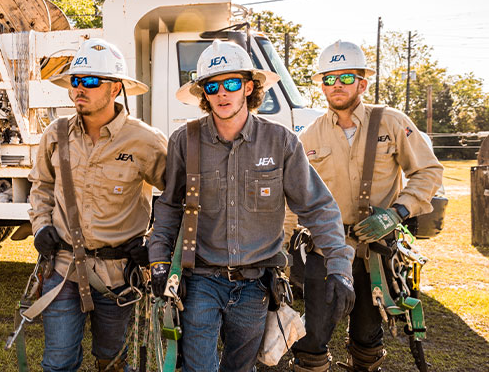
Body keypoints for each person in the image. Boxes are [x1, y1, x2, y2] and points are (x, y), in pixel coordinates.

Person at [148, 39, 355, 372]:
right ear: (204, 94)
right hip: (202, 278)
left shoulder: (281, 141)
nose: (222, 93)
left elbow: (318, 207)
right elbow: (170, 207)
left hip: (256, 283)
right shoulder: (184, 142)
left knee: (240, 367)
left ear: (248, 86)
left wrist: (340, 269)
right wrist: (159, 260)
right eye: (212, 86)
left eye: (231, 83)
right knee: (197, 367)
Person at [289, 40, 443, 372]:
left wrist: (397, 213)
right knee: (312, 337)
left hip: (376, 250)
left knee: (367, 336)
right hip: (325, 250)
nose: (337, 85)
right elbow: (294, 197)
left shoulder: (390, 122)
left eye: (346, 77)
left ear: (363, 82)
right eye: (329, 79)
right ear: (321, 86)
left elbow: (428, 171)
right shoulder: (309, 137)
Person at [28, 38, 168, 372]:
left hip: (118, 275)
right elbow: (41, 186)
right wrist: (41, 226)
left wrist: (154, 241)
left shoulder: (146, 141)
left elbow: (177, 199)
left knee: (112, 361)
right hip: (63, 269)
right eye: (75, 81)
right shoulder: (55, 134)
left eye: (91, 81)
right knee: (58, 362)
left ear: (116, 88)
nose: (80, 88)